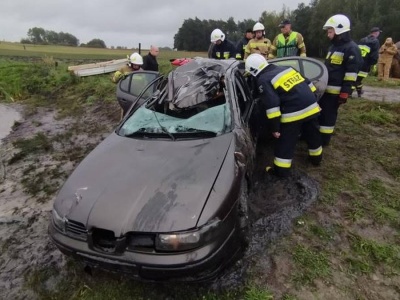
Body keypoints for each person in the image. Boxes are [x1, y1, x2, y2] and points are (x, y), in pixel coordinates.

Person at [245, 53, 322, 178]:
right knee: (312, 133)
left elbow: (272, 106)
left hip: (294, 113)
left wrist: (275, 128)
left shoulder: (263, 79)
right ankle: (316, 159)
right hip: (312, 107)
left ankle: (281, 171)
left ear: (253, 70)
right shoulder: (286, 68)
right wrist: (315, 101)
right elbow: (309, 84)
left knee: (286, 142)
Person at [319, 14, 362, 146]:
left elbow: (351, 74)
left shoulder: (351, 48)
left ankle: (324, 140)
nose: (328, 34)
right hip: (326, 89)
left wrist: (345, 92)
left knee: (328, 116)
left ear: (339, 30)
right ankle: (318, 135)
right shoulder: (333, 47)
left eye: (330, 31)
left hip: (336, 92)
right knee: (321, 114)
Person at [354, 27, 381, 97]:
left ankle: (359, 92)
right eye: (378, 33)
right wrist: (373, 63)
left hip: (357, 61)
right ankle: (352, 93)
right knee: (358, 79)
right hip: (366, 63)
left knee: (356, 78)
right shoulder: (375, 41)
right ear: (376, 33)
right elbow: (374, 54)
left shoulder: (362, 39)